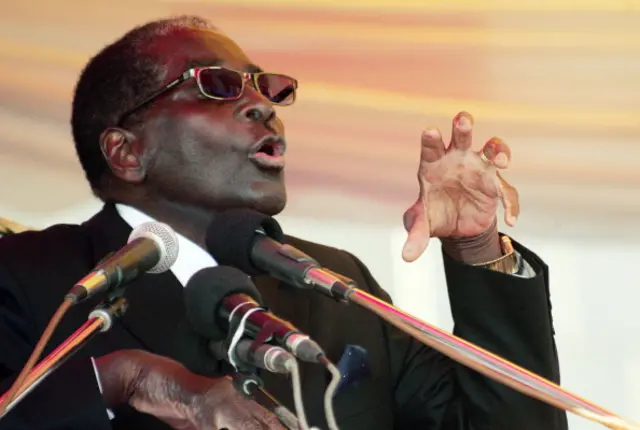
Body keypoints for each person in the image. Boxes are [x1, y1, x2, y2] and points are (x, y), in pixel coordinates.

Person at [0, 15, 568, 430]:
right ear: (127, 153)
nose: (263, 106)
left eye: (266, 88)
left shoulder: (333, 282)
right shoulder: (29, 279)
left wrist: (477, 247)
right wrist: (126, 377)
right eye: (218, 86)